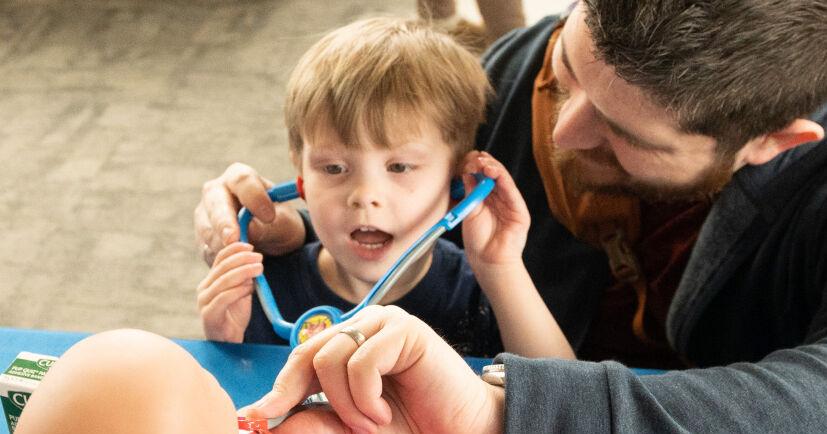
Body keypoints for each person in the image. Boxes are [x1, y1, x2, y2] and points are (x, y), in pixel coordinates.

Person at [195, 0, 827, 431]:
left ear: (773, 141)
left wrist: (500, 413)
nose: (561, 129)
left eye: (621, 134)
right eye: (568, 70)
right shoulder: (513, 75)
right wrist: (289, 228)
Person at [195, 18, 573, 359]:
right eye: (334, 167)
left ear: (459, 180)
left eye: (399, 167)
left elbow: (569, 404)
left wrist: (502, 269)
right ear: (301, 178)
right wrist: (225, 349)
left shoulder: (483, 293)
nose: (364, 195)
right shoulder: (261, 288)